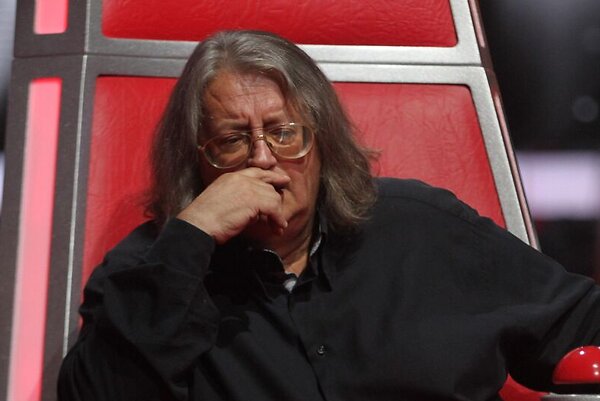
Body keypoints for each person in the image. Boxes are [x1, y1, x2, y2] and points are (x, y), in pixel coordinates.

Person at [58, 30, 600, 401]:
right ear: (196, 162)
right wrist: (192, 238)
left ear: (322, 143)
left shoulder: (422, 226)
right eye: (231, 140)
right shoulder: (150, 269)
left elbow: (579, 322)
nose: (263, 158)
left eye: (284, 132)